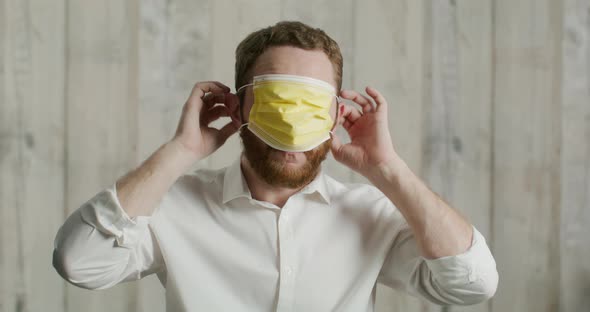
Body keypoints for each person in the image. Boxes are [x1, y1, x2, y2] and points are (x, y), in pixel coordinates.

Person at [53, 21, 498, 311]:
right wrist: (181, 151)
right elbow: (80, 263)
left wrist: (389, 169)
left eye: (307, 107)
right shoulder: (172, 207)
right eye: (275, 104)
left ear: (335, 114)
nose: (289, 129)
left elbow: (472, 284)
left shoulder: (368, 216)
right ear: (238, 106)